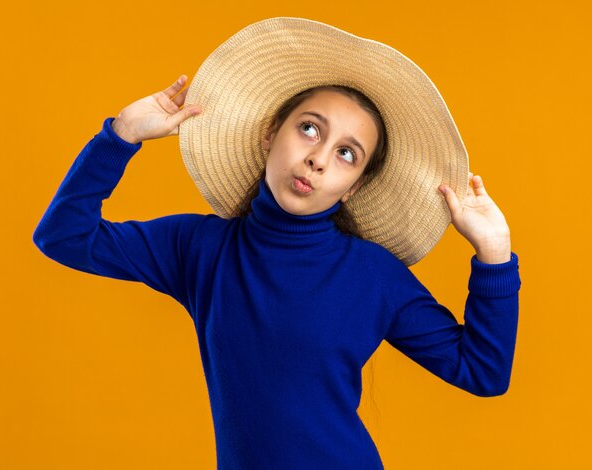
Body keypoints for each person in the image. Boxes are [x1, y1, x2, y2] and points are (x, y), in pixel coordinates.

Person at [33, 17, 521, 470]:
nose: (318, 159)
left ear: (352, 186)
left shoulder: (373, 274)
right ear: (270, 134)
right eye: (309, 128)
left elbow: (482, 371)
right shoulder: (200, 248)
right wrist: (119, 138)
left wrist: (494, 255)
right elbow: (63, 236)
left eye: (346, 154)